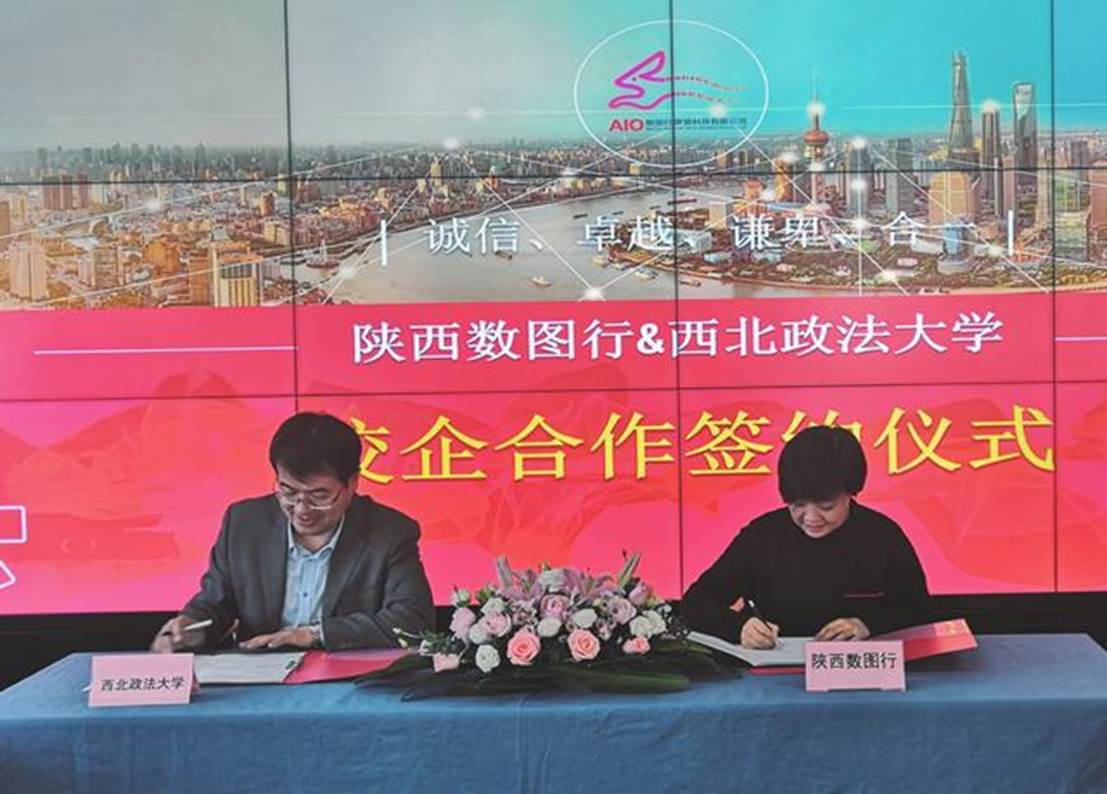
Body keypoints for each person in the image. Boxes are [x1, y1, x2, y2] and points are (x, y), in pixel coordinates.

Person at [151, 412, 434, 653]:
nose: (301, 509)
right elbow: (215, 606)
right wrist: (190, 629)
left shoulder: (390, 533)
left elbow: (412, 622)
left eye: (319, 496)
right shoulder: (245, 523)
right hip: (259, 680)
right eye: (287, 492)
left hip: (348, 681)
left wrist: (315, 635)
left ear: (352, 484)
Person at [682, 425, 931, 649]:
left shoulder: (883, 536)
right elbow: (695, 603)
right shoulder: (763, 536)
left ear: (851, 493)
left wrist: (867, 625)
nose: (811, 518)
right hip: (775, 672)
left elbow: (920, 613)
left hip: (860, 672)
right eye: (798, 504)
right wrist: (738, 627)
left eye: (826, 506)